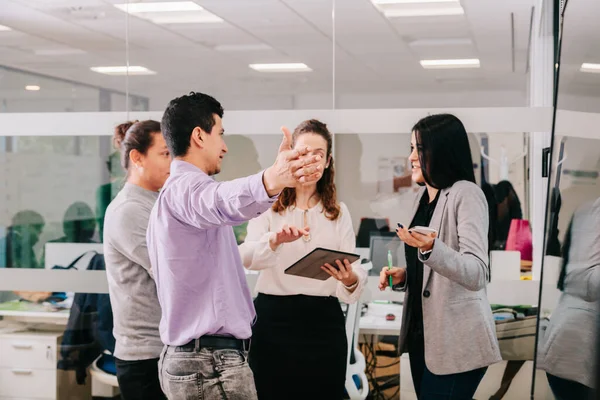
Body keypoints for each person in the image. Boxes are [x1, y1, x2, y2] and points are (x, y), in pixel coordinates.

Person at [146, 92, 323, 400]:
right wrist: (273, 178)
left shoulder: (175, 194)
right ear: (199, 136)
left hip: (202, 359)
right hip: (208, 362)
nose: (225, 147)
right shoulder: (186, 189)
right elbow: (222, 201)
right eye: (221, 134)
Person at [238, 119, 367, 399]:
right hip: (274, 321)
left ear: (328, 161)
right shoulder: (267, 206)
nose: (310, 160)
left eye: (318, 154)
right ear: (290, 156)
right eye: (303, 152)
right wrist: (273, 242)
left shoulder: (338, 212)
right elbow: (245, 258)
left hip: (323, 323)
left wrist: (349, 278)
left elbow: (352, 280)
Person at [379, 114, 501, 399]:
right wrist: (406, 276)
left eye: (418, 149)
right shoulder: (420, 200)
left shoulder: (466, 194)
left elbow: (477, 273)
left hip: (456, 344)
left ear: (441, 151)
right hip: (425, 340)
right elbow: (432, 274)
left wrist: (432, 250)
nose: (410, 157)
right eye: (410, 148)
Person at [103, 120, 171, 400]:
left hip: (163, 350)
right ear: (137, 157)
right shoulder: (129, 210)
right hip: (145, 357)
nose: (173, 162)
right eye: (165, 154)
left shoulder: (155, 202)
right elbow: (174, 271)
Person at [537, 197, 600, 400]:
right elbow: (584, 281)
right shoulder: (593, 212)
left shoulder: (589, 209)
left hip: (573, 348)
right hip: (578, 351)